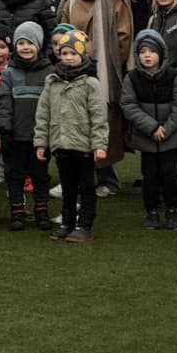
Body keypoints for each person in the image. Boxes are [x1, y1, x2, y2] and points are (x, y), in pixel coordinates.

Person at [58, 0, 134, 195]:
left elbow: (124, 37)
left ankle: (108, 180)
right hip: (74, 71)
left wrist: (105, 64)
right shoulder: (72, 1)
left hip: (105, 73)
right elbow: (63, 32)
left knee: (104, 123)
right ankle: (77, 180)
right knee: (77, 122)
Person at [34, 27, 107, 243]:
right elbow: (43, 113)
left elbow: (99, 116)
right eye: (64, 53)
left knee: (86, 186)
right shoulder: (52, 81)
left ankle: (84, 224)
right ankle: (67, 222)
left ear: (82, 54)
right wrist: (41, 143)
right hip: (60, 145)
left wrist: (99, 145)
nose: (68, 57)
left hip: (83, 146)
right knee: (68, 187)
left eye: (73, 53)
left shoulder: (91, 83)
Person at [120, 30, 177, 230]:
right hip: (147, 137)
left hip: (170, 137)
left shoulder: (174, 76)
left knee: (170, 174)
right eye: (142, 51)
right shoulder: (132, 78)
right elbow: (129, 105)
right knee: (149, 176)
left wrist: (166, 129)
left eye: (152, 51)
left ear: (161, 53)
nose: (147, 55)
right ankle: (151, 211)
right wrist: (151, 127)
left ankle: (172, 210)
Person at [0, 21, 53, 231]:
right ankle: (17, 211)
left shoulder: (49, 72)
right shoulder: (10, 73)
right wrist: (5, 130)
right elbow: (4, 103)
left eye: (30, 43)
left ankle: (41, 210)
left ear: (38, 45)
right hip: (16, 136)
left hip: (40, 137)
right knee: (15, 175)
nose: (25, 47)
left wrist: (50, 133)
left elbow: (53, 105)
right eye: (21, 43)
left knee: (40, 176)